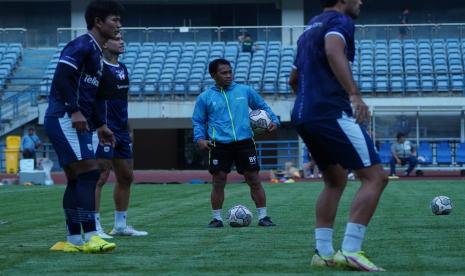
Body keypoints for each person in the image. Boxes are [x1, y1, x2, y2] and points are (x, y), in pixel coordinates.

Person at [288, 0, 388, 271]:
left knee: (334, 180)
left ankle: (323, 253)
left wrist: (310, 110)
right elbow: (334, 52)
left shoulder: (310, 27)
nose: (361, 2)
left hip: (302, 113)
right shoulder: (340, 21)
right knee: (376, 177)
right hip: (330, 112)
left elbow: (293, 80)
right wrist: (355, 95)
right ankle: (352, 250)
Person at [45, 0, 124, 253]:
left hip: (80, 121)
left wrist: (101, 125)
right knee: (89, 173)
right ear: (98, 22)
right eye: (114, 19)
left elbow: (94, 94)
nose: (118, 24)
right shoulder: (80, 45)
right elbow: (61, 77)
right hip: (64, 117)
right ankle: (90, 236)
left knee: (77, 178)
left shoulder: (98, 53)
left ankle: (74, 241)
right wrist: (74, 110)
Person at [192, 58, 280, 228]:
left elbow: (263, 107)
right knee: (219, 180)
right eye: (223, 73)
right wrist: (200, 139)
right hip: (219, 144)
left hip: (245, 142)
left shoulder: (245, 91)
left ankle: (264, 217)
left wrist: (274, 120)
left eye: (230, 72)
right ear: (213, 75)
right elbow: (198, 121)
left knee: (254, 179)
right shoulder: (205, 97)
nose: (228, 75)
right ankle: (216, 219)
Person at [92, 33, 147, 238]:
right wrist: (99, 125)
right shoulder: (97, 67)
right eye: (117, 38)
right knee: (100, 176)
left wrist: (129, 126)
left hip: (122, 130)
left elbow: (121, 101)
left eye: (123, 38)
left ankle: (120, 226)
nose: (122, 41)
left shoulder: (122, 68)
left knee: (126, 176)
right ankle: (94, 227)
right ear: (105, 43)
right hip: (104, 129)